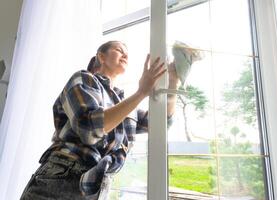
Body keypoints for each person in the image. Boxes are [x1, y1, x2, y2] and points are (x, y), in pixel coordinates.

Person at [20, 40, 180, 200]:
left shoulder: (122, 103)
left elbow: (162, 123)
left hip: (96, 184)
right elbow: (89, 129)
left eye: (127, 53)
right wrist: (141, 92)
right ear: (101, 57)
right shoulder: (83, 79)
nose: (125, 54)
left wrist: (173, 83)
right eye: (119, 50)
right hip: (63, 174)